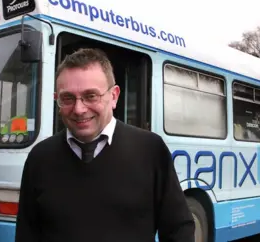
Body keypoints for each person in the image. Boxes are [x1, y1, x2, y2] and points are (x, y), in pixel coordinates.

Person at [15, 48, 195, 242]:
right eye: (68, 98)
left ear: (114, 96)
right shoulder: (40, 158)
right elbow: (27, 234)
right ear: (57, 99)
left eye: (91, 96)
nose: (79, 109)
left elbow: (178, 229)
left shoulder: (150, 150)